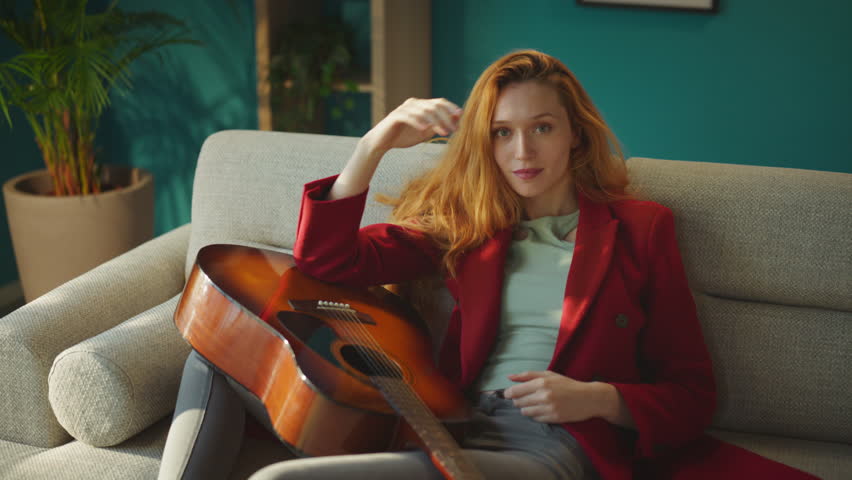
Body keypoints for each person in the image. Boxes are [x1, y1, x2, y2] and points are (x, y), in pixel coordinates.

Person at [159, 49, 716, 480]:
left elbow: (693, 392)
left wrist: (596, 397)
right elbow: (325, 259)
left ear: (574, 134)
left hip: (552, 445)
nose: (523, 152)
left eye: (542, 128)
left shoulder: (642, 229)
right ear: (486, 142)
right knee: (214, 353)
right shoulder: (468, 225)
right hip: (448, 425)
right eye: (503, 133)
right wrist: (372, 146)